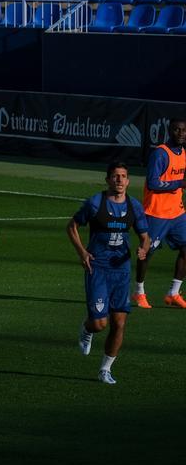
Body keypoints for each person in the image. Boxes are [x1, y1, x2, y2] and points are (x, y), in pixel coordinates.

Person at [67, 163, 151, 384]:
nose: (119, 180)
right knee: (99, 324)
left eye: (123, 176)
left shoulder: (134, 207)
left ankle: (105, 369)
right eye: (115, 176)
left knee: (119, 323)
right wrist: (82, 252)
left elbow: (145, 236)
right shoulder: (96, 203)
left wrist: (143, 248)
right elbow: (72, 226)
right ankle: (87, 329)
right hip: (98, 268)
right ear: (107, 180)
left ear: (129, 181)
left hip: (121, 271)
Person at [132, 117, 186, 309]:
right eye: (177, 130)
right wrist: (179, 183)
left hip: (177, 214)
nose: (180, 134)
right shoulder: (161, 154)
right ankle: (139, 292)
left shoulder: (184, 153)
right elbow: (153, 183)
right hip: (156, 213)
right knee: (147, 253)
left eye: (183, 130)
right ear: (169, 131)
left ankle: (173, 293)